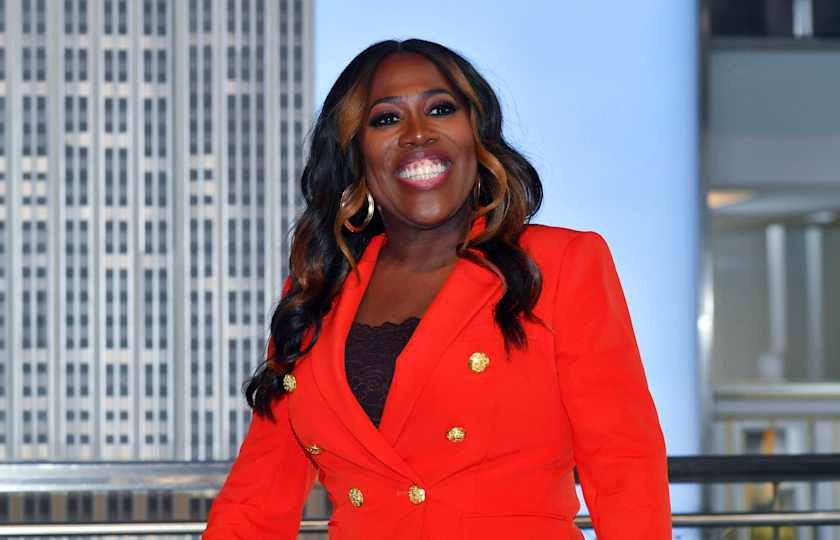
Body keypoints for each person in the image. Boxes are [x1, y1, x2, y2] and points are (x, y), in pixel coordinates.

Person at [203, 38, 671, 540]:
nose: (417, 133)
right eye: (386, 119)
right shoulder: (316, 293)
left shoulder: (558, 265)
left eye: (441, 109)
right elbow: (256, 498)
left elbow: (623, 463)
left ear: (477, 134)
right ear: (356, 155)